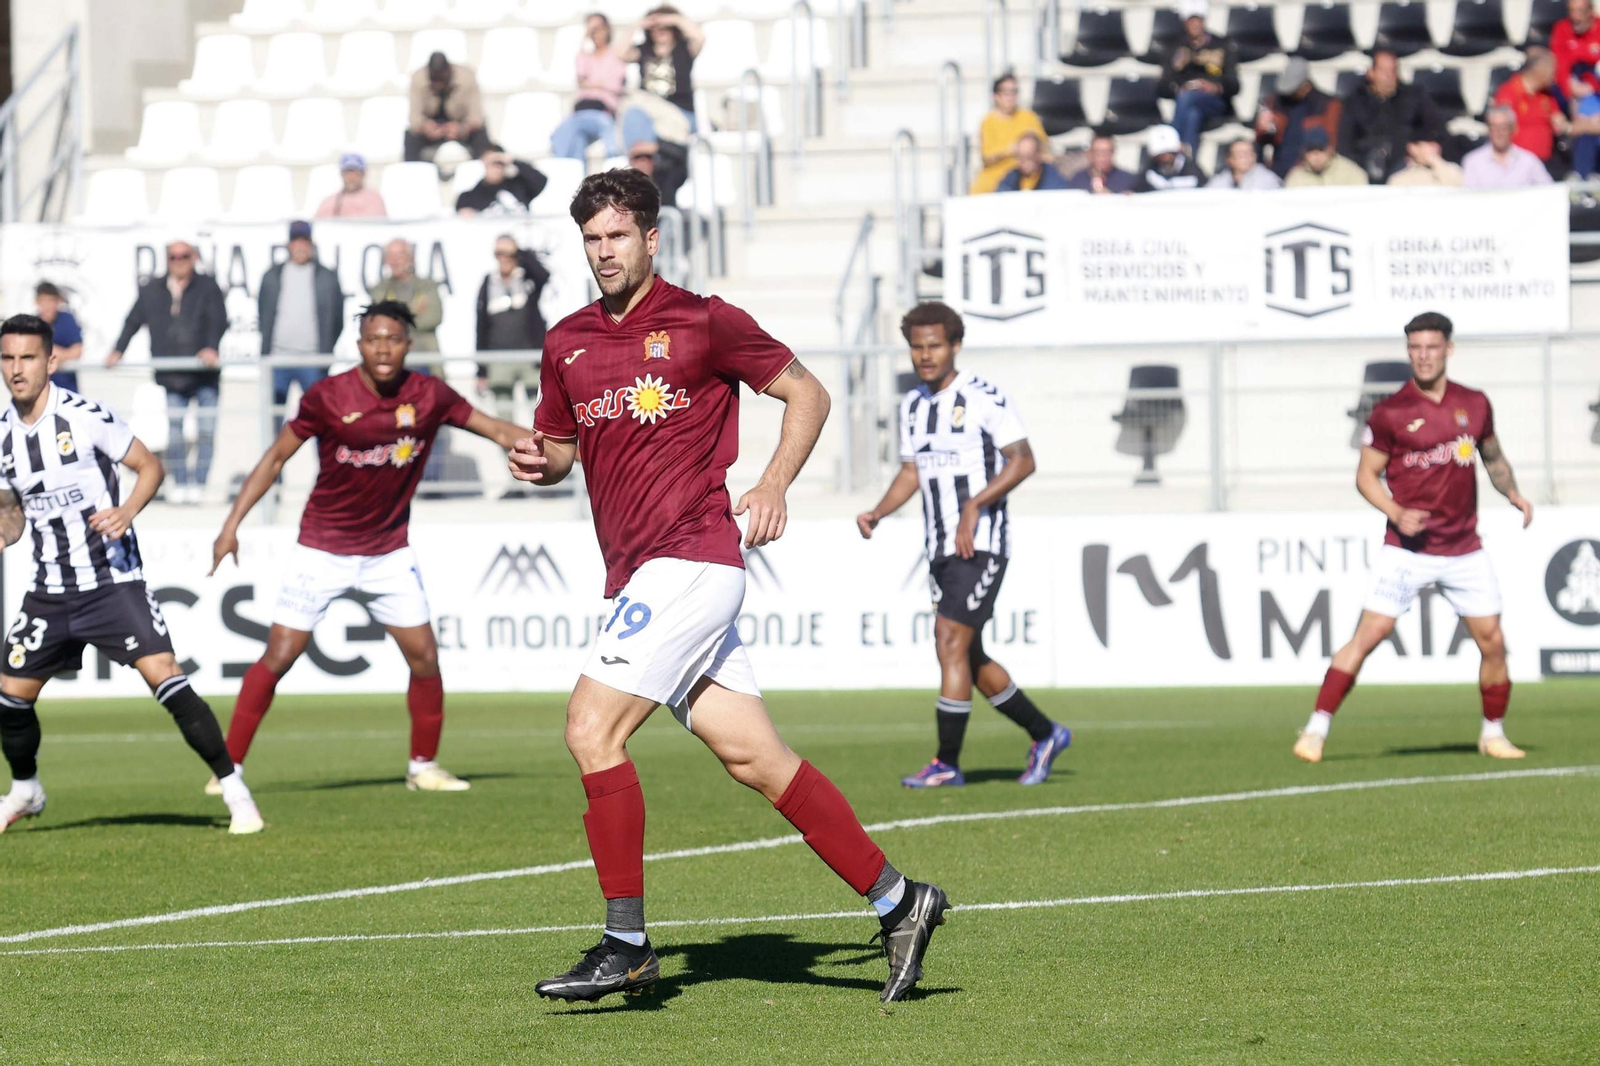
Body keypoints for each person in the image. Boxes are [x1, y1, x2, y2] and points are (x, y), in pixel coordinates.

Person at [508, 169, 948, 1005]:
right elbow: (560, 447)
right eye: (591, 240)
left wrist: (775, 482)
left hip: (695, 558)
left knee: (590, 729)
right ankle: (901, 902)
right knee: (756, 758)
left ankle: (627, 943)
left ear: (651, 239)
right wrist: (542, 462)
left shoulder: (704, 322)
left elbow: (807, 393)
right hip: (642, 571)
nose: (604, 253)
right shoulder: (565, 340)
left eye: (617, 237)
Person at [209, 302, 530, 795]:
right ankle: (229, 770)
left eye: (394, 338)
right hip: (322, 548)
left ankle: (423, 767)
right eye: (373, 339)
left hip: (388, 554)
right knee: (280, 654)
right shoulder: (327, 396)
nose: (383, 348)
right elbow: (275, 458)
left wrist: (558, 447)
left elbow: (498, 431)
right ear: (359, 345)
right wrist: (232, 525)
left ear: (408, 344)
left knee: (424, 657)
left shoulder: (429, 395)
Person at [0, 314, 262, 836]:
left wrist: (127, 512)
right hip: (49, 591)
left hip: (111, 582)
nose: (16, 369)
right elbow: (12, 512)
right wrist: (5, 529)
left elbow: (151, 467)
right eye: (8, 358)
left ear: (51, 361)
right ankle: (26, 790)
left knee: (164, 673)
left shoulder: (85, 416)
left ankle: (236, 791)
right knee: (10, 697)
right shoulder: (3, 436)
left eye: (27, 357)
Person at [1295, 312, 1534, 765]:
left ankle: (1493, 733)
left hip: (1464, 548)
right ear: (1409, 351)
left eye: (1431, 347)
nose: (1423, 356)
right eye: (1415, 348)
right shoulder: (1391, 412)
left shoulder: (1475, 404)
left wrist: (1514, 493)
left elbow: (1494, 458)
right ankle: (1315, 729)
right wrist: (1395, 510)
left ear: (1448, 349)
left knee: (1494, 642)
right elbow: (1366, 477)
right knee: (1369, 634)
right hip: (1407, 551)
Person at [856, 301, 1070, 790]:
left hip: (982, 546)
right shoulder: (913, 404)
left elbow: (1023, 460)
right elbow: (912, 471)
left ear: (954, 346)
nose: (925, 355)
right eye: (917, 347)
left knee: (949, 642)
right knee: (968, 658)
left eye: (935, 345)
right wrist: (878, 511)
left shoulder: (983, 396)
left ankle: (946, 762)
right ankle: (1046, 734)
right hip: (939, 549)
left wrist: (974, 505)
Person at [107, 240, 226, 507]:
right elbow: (133, 320)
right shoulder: (153, 290)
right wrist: (118, 350)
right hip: (173, 377)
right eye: (174, 256)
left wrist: (211, 347)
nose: (179, 261)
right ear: (167, 259)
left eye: (185, 256)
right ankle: (181, 482)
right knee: (175, 432)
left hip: (204, 375)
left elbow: (219, 320)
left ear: (193, 258)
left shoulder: (208, 287)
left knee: (207, 431)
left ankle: (199, 483)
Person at [258, 220, 344, 429]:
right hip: (278, 360)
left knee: (319, 420)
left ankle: (323, 463)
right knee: (274, 422)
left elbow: (337, 319)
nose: (300, 246)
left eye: (304, 241)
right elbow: (263, 314)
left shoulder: (327, 277)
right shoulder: (272, 276)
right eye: (296, 241)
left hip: (313, 361)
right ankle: (275, 463)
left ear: (311, 243)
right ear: (288, 244)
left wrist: (324, 350)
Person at [1337, 48, 1444, 183]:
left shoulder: (1415, 97)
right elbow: (1345, 144)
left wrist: (1418, 151)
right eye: (1383, 71)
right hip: (1365, 170)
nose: (1389, 76)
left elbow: (1436, 130)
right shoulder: (1354, 102)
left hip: (1408, 170)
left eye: (1393, 71)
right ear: (1371, 73)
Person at [475, 235, 550, 413]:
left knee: (540, 412)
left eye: (508, 253)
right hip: (499, 359)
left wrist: (519, 252)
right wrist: (481, 371)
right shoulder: (488, 282)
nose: (504, 258)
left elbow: (544, 275)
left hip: (530, 358)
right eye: (499, 253)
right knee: (504, 416)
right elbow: (481, 327)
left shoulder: (527, 278)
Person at [618, 5, 704, 157]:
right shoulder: (643, 51)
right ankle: (642, 165)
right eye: (656, 28)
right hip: (651, 111)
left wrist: (674, 18)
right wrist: (637, 25)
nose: (660, 30)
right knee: (633, 114)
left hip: (679, 112)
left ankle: (655, 154)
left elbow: (700, 37)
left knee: (652, 124)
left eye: (666, 27)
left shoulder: (684, 49)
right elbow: (620, 53)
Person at [1161, 0, 1238, 156]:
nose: (1195, 24)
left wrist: (1215, 87)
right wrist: (1178, 88)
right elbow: (1162, 86)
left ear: (1204, 20)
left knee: (1187, 99)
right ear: (1185, 23)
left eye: (1198, 20)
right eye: (1191, 20)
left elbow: (1235, 85)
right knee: (1192, 115)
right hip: (1186, 102)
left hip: (1216, 103)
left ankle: (1171, 144)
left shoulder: (1222, 45)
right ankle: (1188, 160)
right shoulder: (1176, 48)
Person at [551, 14, 627, 160]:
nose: (595, 34)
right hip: (581, 110)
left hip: (603, 111)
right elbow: (580, 76)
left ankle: (613, 168)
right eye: (591, 30)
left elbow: (615, 86)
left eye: (598, 29)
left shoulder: (616, 55)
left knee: (611, 143)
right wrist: (584, 39)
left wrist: (591, 84)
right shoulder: (586, 57)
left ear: (607, 29)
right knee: (565, 139)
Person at [1257, 57, 1342, 178]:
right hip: (1280, 170)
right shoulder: (1276, 104)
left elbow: (1331, 142)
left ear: (1305, 85)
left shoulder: (1327, 106)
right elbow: (1264, 140)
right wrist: (1264, 130)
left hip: (1309, 172)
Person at [1492, 48, 1568, 175]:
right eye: (1552, 72)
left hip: (1545, 164)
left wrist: (1560, 122)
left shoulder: (1547, 96)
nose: (1554, 78)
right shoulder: (1509, 92)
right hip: (1516, 166)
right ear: (1540, 70)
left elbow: (1557, 119)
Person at [970, 73, 1048, 194]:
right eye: (1006, 92)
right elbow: (987, 157)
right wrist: (1011, 149)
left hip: (1029, 173)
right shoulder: (989, 121)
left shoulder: (1029, 117)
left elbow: (1043, 146)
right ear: (996, 96)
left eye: (1014, 92)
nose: (1011, 97)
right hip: (999, 175)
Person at [405, 52, 489, 163]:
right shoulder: (418, 78)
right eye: (435, 79)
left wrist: (462, 129)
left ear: (449, 70)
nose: (439, 84)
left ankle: (482, 170)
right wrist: (426, 127)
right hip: (432, 127)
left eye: (442, 79)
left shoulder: (467, 77)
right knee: (411, 137)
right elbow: (414, 117)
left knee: (481, 135)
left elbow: (476, 117)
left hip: (461, 126)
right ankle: (414, 172)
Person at [368, 239, 442, 353]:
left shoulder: (427, 286)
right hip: (391, 354)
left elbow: (434, 317)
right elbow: (377, 321)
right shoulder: (380, 290)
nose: (395, 260)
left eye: (399, 255)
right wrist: (414, 312)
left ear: (410, 257)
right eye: (390, 256)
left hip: (425, 354)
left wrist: (394, 320)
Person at [1552, 0, 1600, 176]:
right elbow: (1560, 68)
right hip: (1575, 96)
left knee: (1586, 125)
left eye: (1580, 11)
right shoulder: (1562, 29)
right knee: (1584, 128)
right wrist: (1571, 91)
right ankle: (1582, 179)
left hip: (1594, 92)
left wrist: (1591, 85)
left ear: (1591, 11)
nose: (1576, 17)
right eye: (1572, 11)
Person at [1462, 106, 1555, 186]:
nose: (1499, 133)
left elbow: (1549, 191)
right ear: (1488, 130)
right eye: (1494, 127)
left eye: (1503, 127)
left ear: (1513, 129)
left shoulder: (1529, 161)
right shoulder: (1473, 162)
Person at [455, 144, 548, 217]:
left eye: (500, 163)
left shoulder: (520, 186)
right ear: (484, 163)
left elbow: (541, 180)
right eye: (492, 163)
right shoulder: (469, 197)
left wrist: (514, 160)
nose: (496, 167)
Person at [33, 282, 83, 391]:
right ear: (37, 301)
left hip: (66, 390)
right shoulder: (31, 324)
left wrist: (56, 354)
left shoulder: (67, 319)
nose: (48, 306)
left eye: (51, 301)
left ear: (58, 301)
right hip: (39, 391)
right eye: (44, 301)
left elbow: (77, 351)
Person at [1285, 127, 1369, 186]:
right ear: (1304, 153)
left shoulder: (1350, 172)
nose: (1316, 156)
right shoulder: (1296, 177)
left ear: (1330, 149)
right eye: (1311, 150)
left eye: (1321, 149)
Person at [315, 153, 388, 218]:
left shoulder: (374, 199)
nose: (351, 177)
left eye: (356, 173)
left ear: (363, 174)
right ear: (342, 174)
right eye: (347, 172)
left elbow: (374, 226)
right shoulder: (330, 201)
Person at [1134, 123, 1204, 191]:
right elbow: (1138, 190)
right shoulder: (1150, 173)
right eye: (1161, 155)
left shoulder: (1192, 170)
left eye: (1169, 153)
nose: (1166, 158)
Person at [1064, 134, 1138, 193]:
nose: (1103, 158)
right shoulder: (1077, 180)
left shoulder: (1128, 180)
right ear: (1090, 154)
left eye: (1107, 152)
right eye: (1098, 153)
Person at [995, 132, 1069, 190]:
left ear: (1039, 155)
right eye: (1019, 157)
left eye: (1028, 157)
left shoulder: (1053, 179)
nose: (1022, 162)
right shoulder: (1011, 177)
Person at [1206, 138, 1283, 188]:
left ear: (1254, 156)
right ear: (1229, 159)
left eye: (1248, 153)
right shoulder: (1219, 180)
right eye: (1240, 154)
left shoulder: (1268, 180)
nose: (1244, 158)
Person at [1386, 139, 1464, 186]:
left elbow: (1459, 187)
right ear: (1412, 148)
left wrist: (1436, 161)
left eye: (1436, 144)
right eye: (1429, 144)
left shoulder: (1453, 169)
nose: (1435, 147)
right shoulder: (1399, 179)